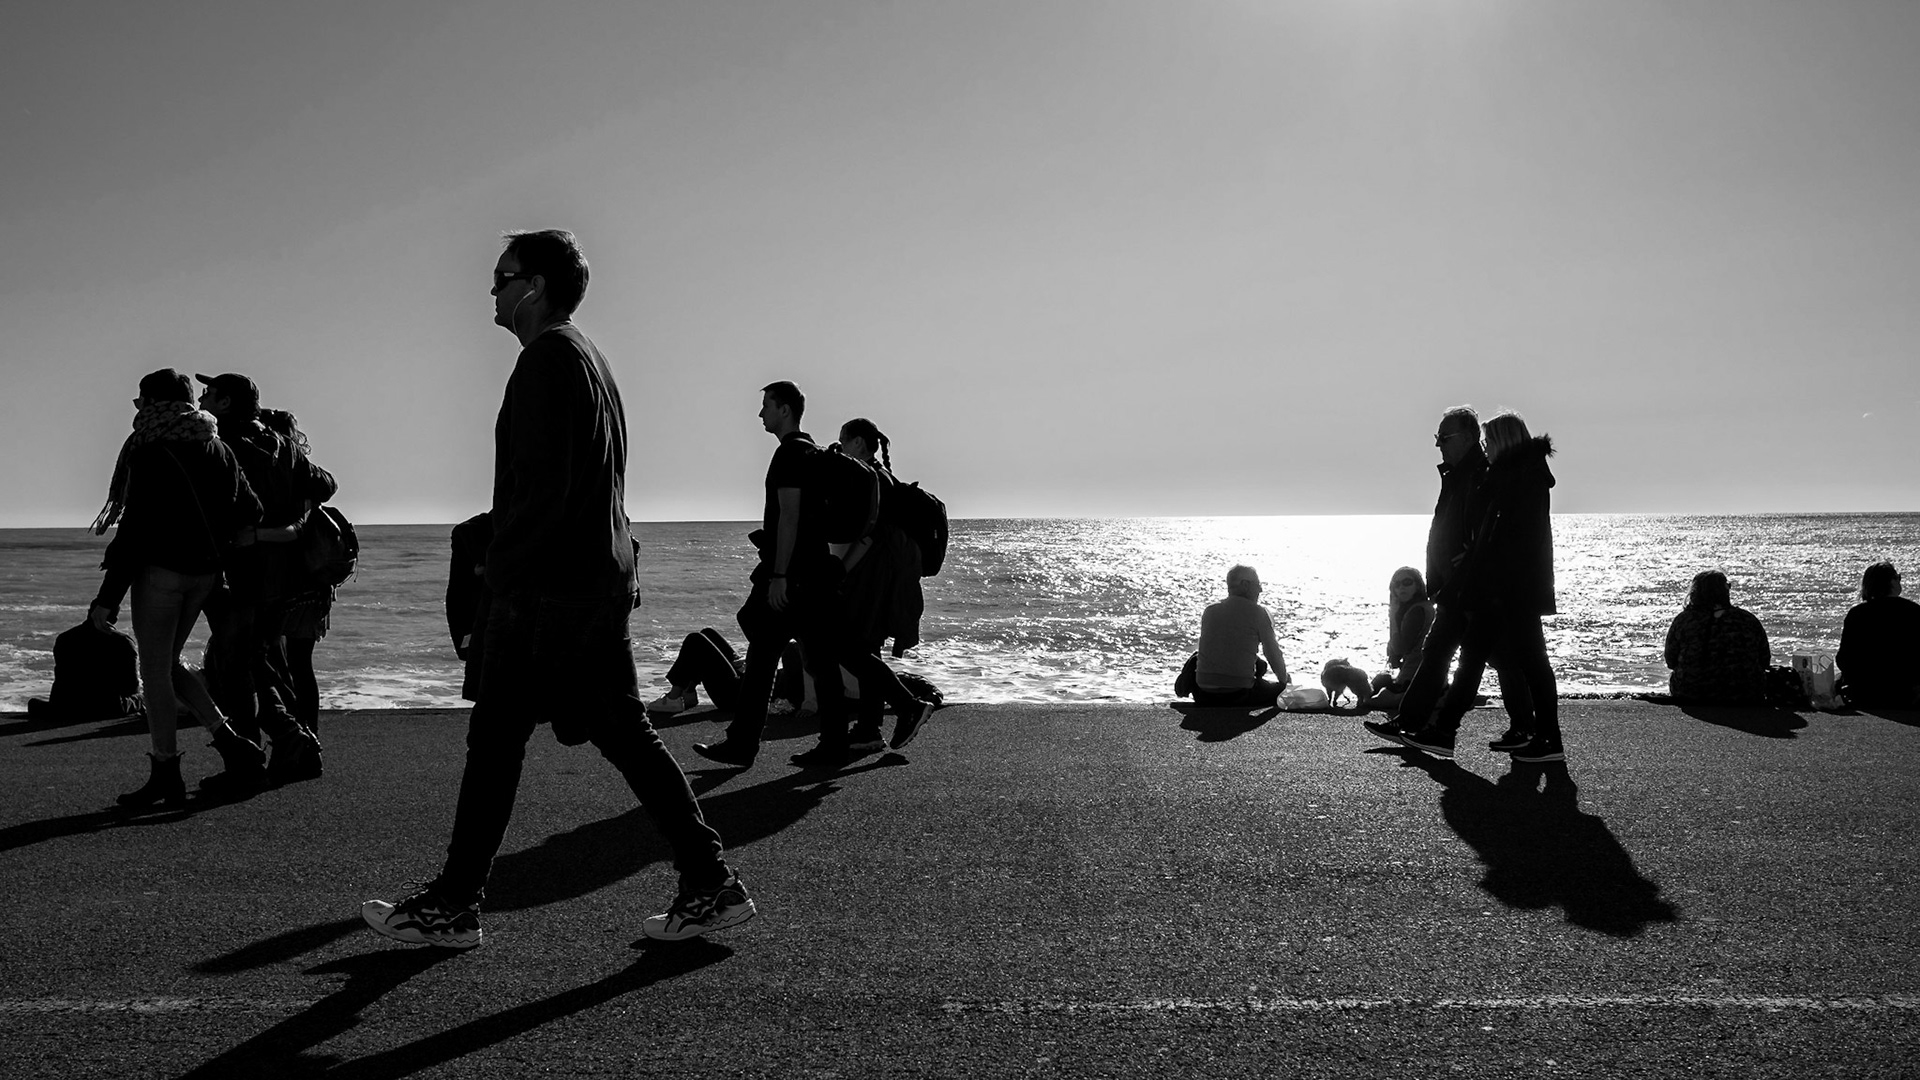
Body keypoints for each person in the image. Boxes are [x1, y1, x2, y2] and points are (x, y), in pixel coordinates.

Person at [362, 229, 751, 949]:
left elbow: (540, 492)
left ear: (535, 286)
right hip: (592, 579)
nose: (493, 291)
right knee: (604, 735)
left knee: (501, 742)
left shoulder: (545, 360)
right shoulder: (589, 359)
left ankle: (456, 905)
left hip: (549, 590)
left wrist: (498, 576)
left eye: (502, 277)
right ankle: (708, 882)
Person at [694, 383, 932, 769]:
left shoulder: (790, 454)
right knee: (823, 657)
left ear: (785, 410)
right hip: (817, 575)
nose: (761, 414)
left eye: (766, 406)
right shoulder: (815, 454)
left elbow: (789, 517)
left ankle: (745, 744)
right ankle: (856, 731)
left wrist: (779, 576)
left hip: (795, 579)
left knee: (779, 655)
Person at [87, 368, 265, 808]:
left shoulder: (149, 450)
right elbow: (252, 509)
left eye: (140, 400)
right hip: (205, 575)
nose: (138, 407)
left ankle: (166, 771)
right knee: (167, 663)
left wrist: (107, 599)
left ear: (154, 403)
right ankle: (231, 742)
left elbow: (134, 531)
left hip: (161, 574)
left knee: (154, 672)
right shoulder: (216, 445)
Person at [1395, 411, 1564, 762]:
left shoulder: (1523, 480)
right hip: (1500, 587)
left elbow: (1513, 539)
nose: (1485, 448)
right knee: (1488, 659)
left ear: (1502, 441)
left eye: (1489, 441)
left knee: (1526, 663)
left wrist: (1476, 558)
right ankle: (1450, 731)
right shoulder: (1512, 477)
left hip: (1509, 590)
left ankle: (1544, 738)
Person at [196, 373, 334, 789]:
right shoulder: (284, 445)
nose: (201, 398)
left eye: (208, 393)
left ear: (225, 403)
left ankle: (251, 763)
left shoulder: (224, 443)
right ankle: (297, 746)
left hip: (241, 571)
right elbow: (326, 484)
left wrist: (255, 531)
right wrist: (291, 518)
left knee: (235, 666)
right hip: (283, 576)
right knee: (262, 661)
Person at [1364, 406, 1488, 743]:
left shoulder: (1479, 474)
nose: (1438, 445)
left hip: (1469, 587)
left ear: (1469, 437)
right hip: (1451, 586)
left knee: (1495, 661)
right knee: (1437, 653)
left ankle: (1442, 730)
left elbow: (1490, 524)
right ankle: (1414, 723)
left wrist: (1473, 555)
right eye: (1437, 437)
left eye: (1444, 437)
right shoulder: (1457, 475)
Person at [832, 417, 936, 753]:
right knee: (868, 649)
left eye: (844, 441)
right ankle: (868, 729)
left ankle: (908, 706)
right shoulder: (884, 476)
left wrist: (840, 571)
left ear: (858, 443)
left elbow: (867, 536)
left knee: (849, 648)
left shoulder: (870, 477)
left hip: (872, 574)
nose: (841, 448)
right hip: (888, 574)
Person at [258, 408, 336, 734]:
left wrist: (255, 536)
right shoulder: (308, 474)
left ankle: (298, 735)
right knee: (299, 664)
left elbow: (294, 530)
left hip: (289, 584)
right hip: (312, 585)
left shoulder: (282, 473)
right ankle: (307, 735)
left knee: (275, 661)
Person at [1190, 565, 1290, 707]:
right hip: (1237, 694)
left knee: (1260, 665)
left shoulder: (1210, 611)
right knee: (1281, 691)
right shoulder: (1258, 613)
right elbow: (1272, 652)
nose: (1260, 590)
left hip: (1203, 694)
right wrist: (1284, 681)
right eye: (1257, 584)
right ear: (1245, 585)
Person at [1663, 570, 1770, 704]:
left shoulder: (1684, 620)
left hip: (1692, 692)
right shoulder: (1747, 619)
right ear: (1725, 591)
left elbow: (1671, 660)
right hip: (1745, 693)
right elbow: (1764, 660)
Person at [1836, 561, 1920, 708]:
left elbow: (1843, 659)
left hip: (1864, 692)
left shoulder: (1857, 613)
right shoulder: (1914, 611)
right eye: (1898, 578)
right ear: (1891, 582)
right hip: (1905, 692)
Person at [1367, 567, 1433, 712]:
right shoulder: (1423, 606)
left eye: (1407, 582)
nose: (1401, 587)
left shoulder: (1416, 612)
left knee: (1369, 699)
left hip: (1413, 679)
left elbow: (1399, 648)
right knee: (1379, 682)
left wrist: (1392, 616)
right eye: (1396, 584)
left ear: (1418, 585)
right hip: (1422, 676)